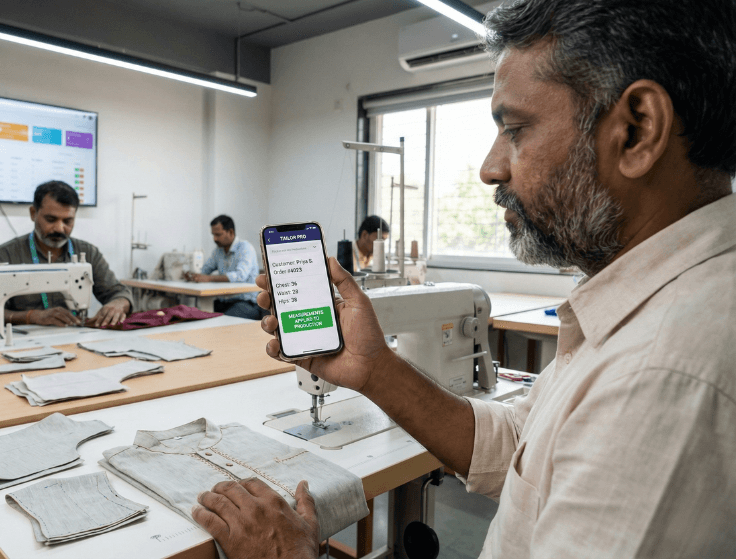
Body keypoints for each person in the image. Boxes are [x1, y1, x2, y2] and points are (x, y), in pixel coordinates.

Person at [190, 0, 736, 557]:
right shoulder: (649, 307)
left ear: (638, 129)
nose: (490, 168)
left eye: (516, 129)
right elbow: (519, 446)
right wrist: (375, 369)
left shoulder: (665, 375)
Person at [0, 181, 133, 328]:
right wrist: (32, 316)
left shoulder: (88, 253)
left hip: (72, 335)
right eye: (51, 219)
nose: (60, 228)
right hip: (22, 341)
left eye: (67, 221)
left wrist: (118, 304)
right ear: (33, 213)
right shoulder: (6, 255)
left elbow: (118, 293)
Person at [183, 215, 264, 319]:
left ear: (230, 232)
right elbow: (205, 270)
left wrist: (208, 278)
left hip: (246, 303)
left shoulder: (245, 248)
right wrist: (193, 275)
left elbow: (240, 276)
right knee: (195, 315)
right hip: (222, 302)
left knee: (216, 321)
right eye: (213, 235)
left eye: (218, 234)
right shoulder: (218, 251)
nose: (214, 239)